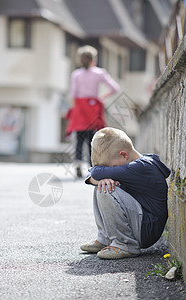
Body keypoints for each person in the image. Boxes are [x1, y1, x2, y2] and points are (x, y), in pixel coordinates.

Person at [80, 127, 171, 259]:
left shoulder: (139, 168)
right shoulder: (139, 161)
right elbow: (94, 174)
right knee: (102, 184)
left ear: (123, 155)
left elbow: (95, 173)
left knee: (105, 188)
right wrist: (101, 178)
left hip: (146, 229)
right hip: (142, 222)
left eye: (110, 168)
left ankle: (125, 244)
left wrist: (100, 177)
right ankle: (105, 238)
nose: (109, 171)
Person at [66, 45, 119, 177]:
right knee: (92, 138)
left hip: (79, 106)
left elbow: (73, 94)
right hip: (92, 106)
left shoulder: (76, 74)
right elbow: (114, 88)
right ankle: (92, 165)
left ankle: (78, 162)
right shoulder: (99, 73)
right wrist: (101, 97)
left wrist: (75, 108)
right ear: (93, 59)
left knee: (78, 138)